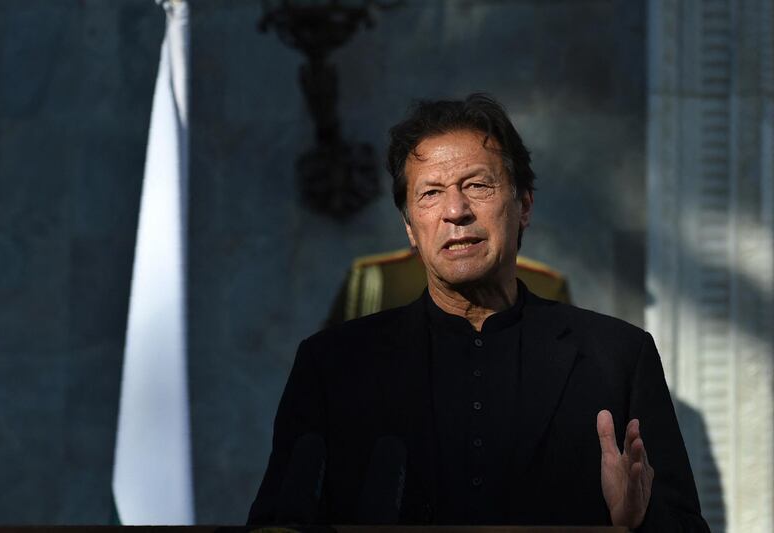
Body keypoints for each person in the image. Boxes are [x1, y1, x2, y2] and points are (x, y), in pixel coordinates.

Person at [248, 94, 710, 531]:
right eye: (430, 194)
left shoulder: (618, 357)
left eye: (477, 185)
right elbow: (278, 521)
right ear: (410, 227)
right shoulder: (333, 365)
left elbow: (686, 527)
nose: (456, 211)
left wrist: (636, 523)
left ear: (523, 205)